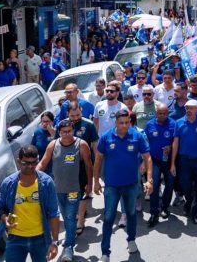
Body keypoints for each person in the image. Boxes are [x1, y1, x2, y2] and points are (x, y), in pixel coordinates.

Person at [93, 110, 153, 258]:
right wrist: (95, 182)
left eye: (127, 123)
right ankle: (105, 253)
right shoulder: (106, 137)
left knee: (132, 214)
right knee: (108, 218)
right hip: (111, 186)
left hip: (132, 184)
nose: (125, 125)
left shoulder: (137, 136)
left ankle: (131, 240)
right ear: (116, 122)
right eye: (121, 123)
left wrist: (150, 180)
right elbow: (98, 160)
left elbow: (148, 157)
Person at [36, 119, 93, 262]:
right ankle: (70, 237)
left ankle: (68, 248)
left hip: (74, 189)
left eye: (69, 131)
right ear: (59, 132)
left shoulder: (81, 145)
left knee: (69, 216)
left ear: (73, 131)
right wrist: (32, 176)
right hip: (57, 190)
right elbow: (43, 163)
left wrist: (90, 184)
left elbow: (88, 165)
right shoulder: (53, 145)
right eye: (63, 132)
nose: (67, 134)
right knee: (64, 216)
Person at [0, 145, 60, 262]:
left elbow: (54, 214)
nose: (30, 166)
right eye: (26, 163)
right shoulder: (8, 183)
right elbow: (0, 209)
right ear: (18, 162)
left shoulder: (46, 183)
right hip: (15, 239)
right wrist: (5, 219)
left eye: (34, 163)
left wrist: (55, 242)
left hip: (40, 238)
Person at [171, 99, 197, 224]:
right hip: (184, 160)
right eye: (187, 108)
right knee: (186, 186)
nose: (188, 110)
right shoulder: (179, 123)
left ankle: (195, 213)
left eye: (191, 108)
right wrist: (172, 163)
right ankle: (189, 201)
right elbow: (175, 143)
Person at [144, 103, 176, 227]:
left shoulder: (173, 124)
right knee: (154, 185)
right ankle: (154, 212)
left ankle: (165, 207)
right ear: (156, 113)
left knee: (170, 184)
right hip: (155, 160)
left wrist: (171, 148)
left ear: (167, 113)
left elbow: (176, 142)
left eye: (164, 113)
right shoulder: (150, 125)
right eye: (159, 113)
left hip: (169, 161)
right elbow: (146, 142)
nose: (162, 115)